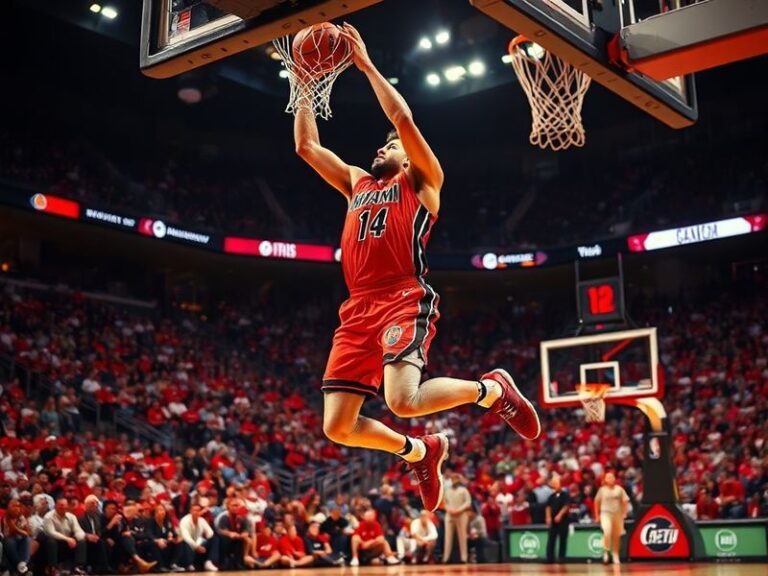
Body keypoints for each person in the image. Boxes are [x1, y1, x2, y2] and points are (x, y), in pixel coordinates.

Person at [293, 21, 540, 514]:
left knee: (403, 400)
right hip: (357, 308)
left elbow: (402, 115)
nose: (382, 146)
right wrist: (302, 82)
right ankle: (419, 450)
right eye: (381, 143)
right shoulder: (357, 182)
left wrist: (363, 64)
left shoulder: (423, 181)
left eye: (392, 144)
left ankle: (492, 390)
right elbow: (306, 147)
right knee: (337, 425)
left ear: (410, 157)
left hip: (403, 296)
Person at [42, 498, 87, 576]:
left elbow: (78, 530)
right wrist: (67, 539)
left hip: (67, 542)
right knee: (51, 541)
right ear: (55, 506)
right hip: (53, 542)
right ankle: (53, 568)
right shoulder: (48, 517)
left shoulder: (71, 516)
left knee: (81, 541)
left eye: (65, 505)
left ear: (67, 506)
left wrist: (79, 537)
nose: (63, 507)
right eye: (60, 505)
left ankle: (78, 567)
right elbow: (51, 532)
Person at [594, 472, 629, 565]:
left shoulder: (619, 489)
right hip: (605, 513)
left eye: (612, 477)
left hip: (617, 514)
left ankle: (615, 554)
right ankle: (606, 552)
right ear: (605, 479)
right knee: (607, 531)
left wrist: (625, 512)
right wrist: (597, 515)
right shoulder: (602, 490)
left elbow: (625, 501)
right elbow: (596, 502)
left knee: (616, 536)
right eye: (608, 477)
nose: (610, 479)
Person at [178, 503, 218, 572]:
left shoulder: (201, 520)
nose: (196, 512)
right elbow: (186, 537)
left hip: (198, 544)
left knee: (215, 538)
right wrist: (196, 546)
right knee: (185, 542)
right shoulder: (184, 521)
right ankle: (189, 564)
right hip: (187, 546)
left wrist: (206, 537)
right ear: (190, 511)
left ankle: (209, 561)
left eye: (198, 510)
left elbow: (210, 532)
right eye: (194, 510)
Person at [442, 474, 471, 564]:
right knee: (448, 537)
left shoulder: (464, 490)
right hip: (449, 515)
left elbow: (468, 502)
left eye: (455, 479)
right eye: (452, 479)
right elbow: (444, 502)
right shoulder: (447, 491)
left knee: (462, 537)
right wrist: (449, 509)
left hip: (461, 515)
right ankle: (446, 558)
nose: (454, 481)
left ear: (459, 480)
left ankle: (464, 558)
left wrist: (459, 510)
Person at [78, 495, 110, 574]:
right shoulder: (80, 517)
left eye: (96, 503)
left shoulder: (98, 516)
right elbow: (78, 531)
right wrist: (88, 536)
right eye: (92, 503)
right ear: (86, 505)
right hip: (85, 539)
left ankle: (103, 567)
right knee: (100, 543)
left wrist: (97, 536)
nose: (95, 505)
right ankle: (104, 567)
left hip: (97, 538)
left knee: (107, 541)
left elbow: (99, 530)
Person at [2, 498, 32, 575]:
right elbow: (7, 533)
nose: (16, 508)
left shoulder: (21, 517)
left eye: (18, 506)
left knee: (27, 539)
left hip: (19, 538)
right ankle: (21, 566)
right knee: (9, 541)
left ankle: (22, 565)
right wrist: (20, 530)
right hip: (7, 539)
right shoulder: (6, 516)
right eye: (13, 506)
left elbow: (28, 533)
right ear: (8, 507)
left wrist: (18, 530)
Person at [545, 476, 571, 563]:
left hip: (563, 521)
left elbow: (566, 506)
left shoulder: (565, 495)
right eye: (554, 484)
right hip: (553, 522)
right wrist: (548, 517)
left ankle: (561, 558)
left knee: (563, 539)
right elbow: (548, 507)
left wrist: (560, 515)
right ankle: (550, 558)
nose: (555, 486)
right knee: (551, 539)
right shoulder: (551, 496)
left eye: (557, 484)